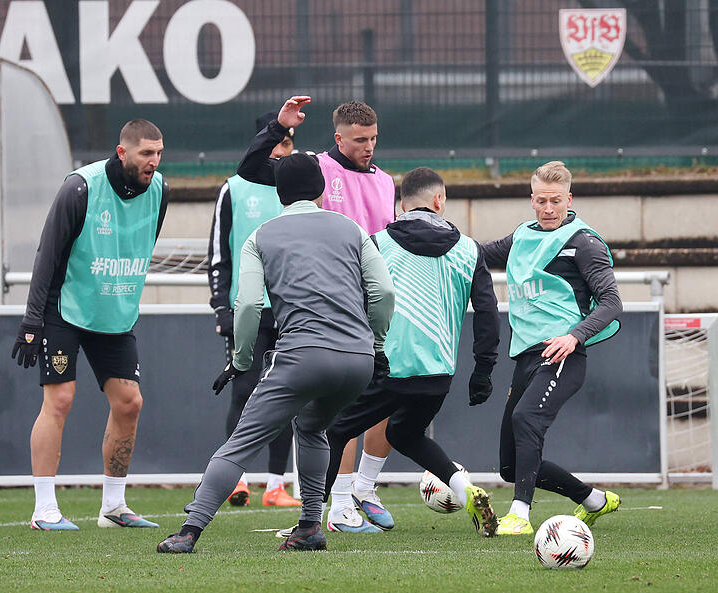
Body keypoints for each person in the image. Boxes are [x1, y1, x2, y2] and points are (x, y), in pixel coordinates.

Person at [157, 152, 395, 553]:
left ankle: (189, 530)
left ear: (279, 194)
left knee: (240, 443)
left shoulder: (261, 236)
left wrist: (241, 361)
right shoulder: (352, 229)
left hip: (302, 356)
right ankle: (309, 526)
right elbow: (384, 293)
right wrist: (375, 345)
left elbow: (248, 306)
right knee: (313, 426)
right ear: (320, 189)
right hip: (357, 361)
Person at [237, 95, 398, 532]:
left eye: (374, 139)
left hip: (375, 302)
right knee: (336, 410)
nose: (369, 147)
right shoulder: (316, 168)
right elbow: (251, 169)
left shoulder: (386, 181)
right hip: (329, 305)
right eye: (360, 139)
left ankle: (361, 489)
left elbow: (388, 241)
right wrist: (278, 127)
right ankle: (338, 502)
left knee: (383, 400)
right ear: (338, 138)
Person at [323, 167, 501, 537]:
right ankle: (462, 488)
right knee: (406, 433)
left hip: (386, 369)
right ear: (440, 201)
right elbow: (488, 314)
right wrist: (482, 373)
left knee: (331, 428)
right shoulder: (470, 249)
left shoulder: (375, 242)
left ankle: (330, 512)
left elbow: (350, 299)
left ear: (400, 206)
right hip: (437, 377)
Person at [11, 120, 168, 530]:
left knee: (129, 403)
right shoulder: (80, 188)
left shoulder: (161, 191)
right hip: (66, 310)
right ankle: (44, 510)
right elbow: (47, 255)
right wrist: (31, 323)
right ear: (122, 153)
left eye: (158, 153)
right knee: (59, 400)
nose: (153, 161)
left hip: (113, 315)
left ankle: (113, 508)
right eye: (145, 154)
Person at [480, 161, 623, 536]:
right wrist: (433, 235)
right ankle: (593, 500)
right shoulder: (521, 238)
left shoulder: (584, 243)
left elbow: (611, 302)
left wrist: (574, 336)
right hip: (526, 357)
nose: (548, 209)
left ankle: (520, 514)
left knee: (527, 419)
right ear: (531, 200)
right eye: (541, 200)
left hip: (563, 355)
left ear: (569, 199)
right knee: (510, 466)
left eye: (555, 201)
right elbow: (476, 253)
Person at [207, 111, 301, 508]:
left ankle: (276, 485)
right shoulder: (234, 187)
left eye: (289, 141)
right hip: (248, 308)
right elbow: (218, 252)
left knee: (287, 395)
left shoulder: (296, 185)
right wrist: (220, 306)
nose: (284, 147)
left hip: (291, 308)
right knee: (243, 392)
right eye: (278, 140)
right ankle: (237, 478)